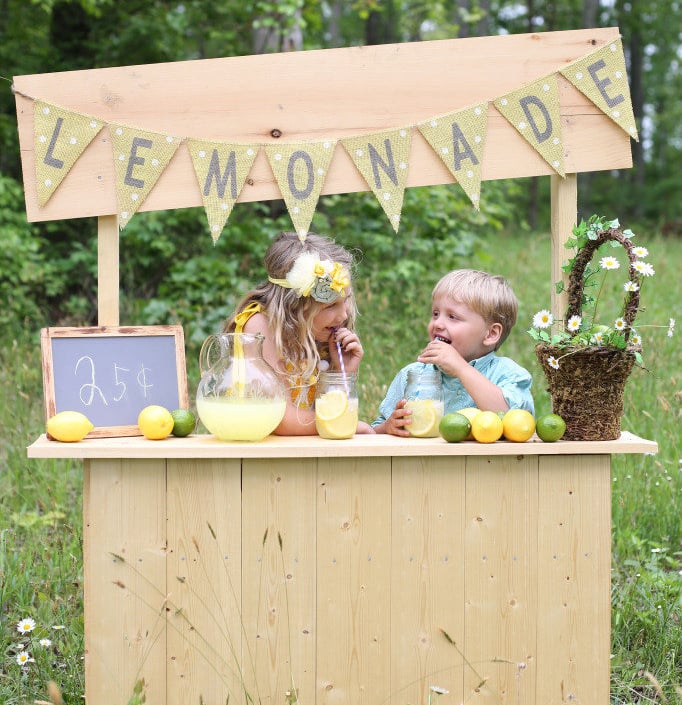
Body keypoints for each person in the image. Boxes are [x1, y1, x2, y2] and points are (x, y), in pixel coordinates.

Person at [224, 231, 374, 435]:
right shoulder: (260, 326)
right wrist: (347, 425)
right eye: (330, 306)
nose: (343, 314)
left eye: (346, 299)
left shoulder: (318, 334)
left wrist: (341, 373)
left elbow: (334, 408)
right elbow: (280, 419)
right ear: (293, 307)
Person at [372, 268, 534, 436]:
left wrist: (461, 368)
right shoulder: (411, 375)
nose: (438, 324)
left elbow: (511, 419)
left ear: (491, 333)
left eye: (452, 317)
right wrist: (388, 427)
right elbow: (375, 430)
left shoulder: (508, 374)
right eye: (435, 314)